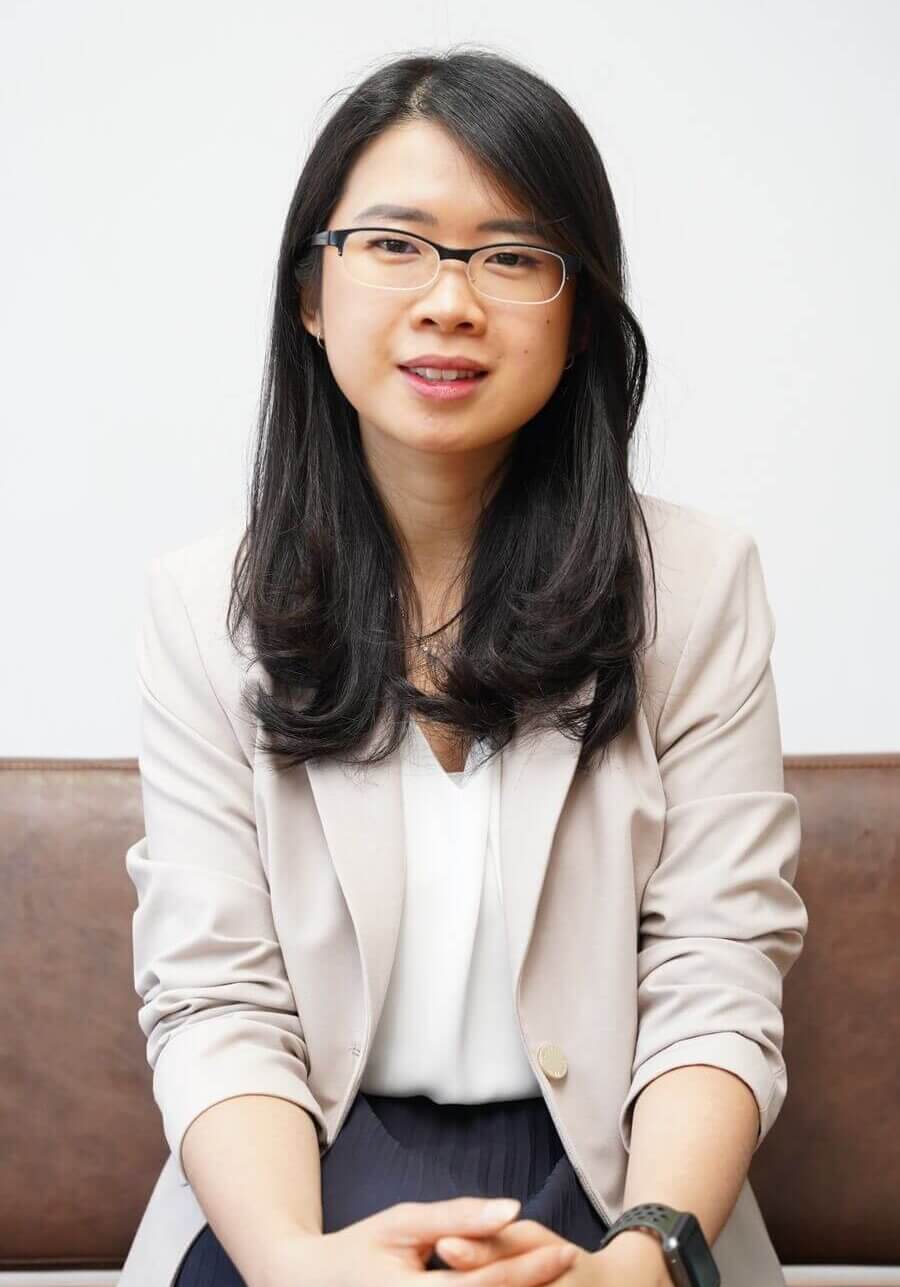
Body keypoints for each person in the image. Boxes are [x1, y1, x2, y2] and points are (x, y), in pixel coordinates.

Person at [119, 46, 808, 1287]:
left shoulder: (698, 585)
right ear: (311, 294)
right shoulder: (201, 604)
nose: (449, 301)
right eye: (394, 244)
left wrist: (641, 1259)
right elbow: (216, 999)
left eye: (512, 256)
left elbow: (716, 971)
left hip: (618, 1175)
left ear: (580, 312)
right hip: (294, 1169)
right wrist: (294, 1262)